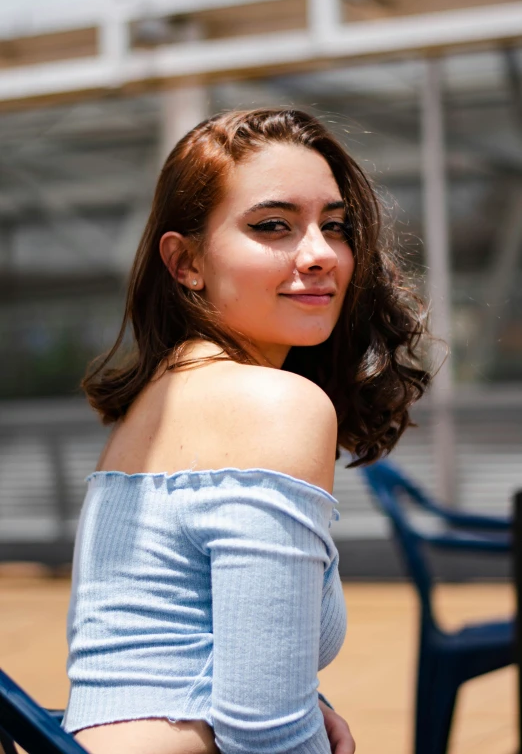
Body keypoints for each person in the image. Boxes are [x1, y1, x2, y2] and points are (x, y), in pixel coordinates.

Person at [62, 108, 430, 754]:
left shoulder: (163, 397)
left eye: (335, 226)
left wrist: (300, 694)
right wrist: (288, 710)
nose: (319, 253)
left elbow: (170, 644)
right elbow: (267, 736)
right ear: (185, 263)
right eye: (273, 225)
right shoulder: (273, 404)